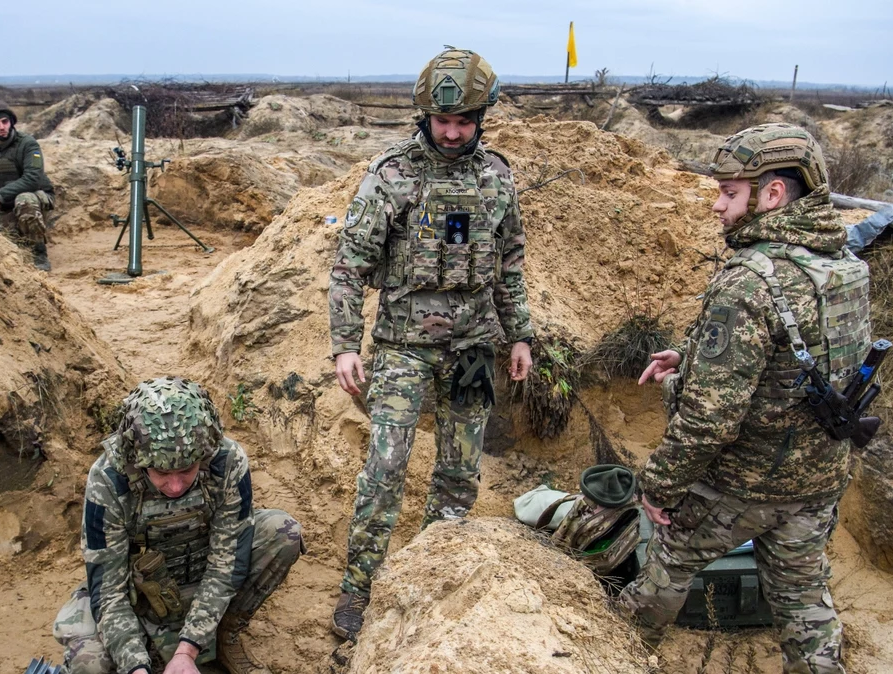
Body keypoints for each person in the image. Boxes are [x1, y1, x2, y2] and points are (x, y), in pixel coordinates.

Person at [622, 123, 870, 673]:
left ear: (773, 194)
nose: (717, 205)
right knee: (806, 604)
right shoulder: (846, 267)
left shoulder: (748, 281)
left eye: (730, 192)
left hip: (739, 487)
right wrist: (689, 357)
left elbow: (710, 420)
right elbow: (798, 360)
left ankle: (613, 654)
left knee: (665, 573)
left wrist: (659, 485)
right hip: (816, 484)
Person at [326, 46, 536, 640]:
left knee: (460, 473)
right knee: (385, 468)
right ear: (424, 115)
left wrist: (520, 334)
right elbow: (348, 267)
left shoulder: (496, 176)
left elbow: (510, 264)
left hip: (473, 347)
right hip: (402, 347)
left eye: (464, 122)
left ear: (481, 119)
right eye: (443, 122)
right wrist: (345, 344)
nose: (452, 132)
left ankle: (429, 573)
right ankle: (358, 588)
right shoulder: (392, 175)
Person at [52, 377, 303, 674]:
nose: (174, 486)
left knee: (282, 531)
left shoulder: (226, 461)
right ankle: (148, 648)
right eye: (161, 472)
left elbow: (226, 564)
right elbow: (108, 592)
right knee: (88, 664)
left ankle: (224, 635)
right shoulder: (108, 479)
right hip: (140, 589)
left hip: (201, 567)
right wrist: (135, 666)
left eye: (186, 471)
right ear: (138, 458)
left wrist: (189, 647)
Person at [0, 100, 56, 271]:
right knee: (8, 246)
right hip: (7, 204)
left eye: (5, 121)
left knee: (25, 199)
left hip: (37, 198)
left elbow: (33, 178)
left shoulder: (27, 144)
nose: (1, 127)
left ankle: (39, 253)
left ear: (11, 122)